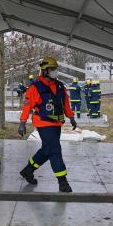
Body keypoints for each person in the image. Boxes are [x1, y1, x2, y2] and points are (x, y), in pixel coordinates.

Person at [18, 57, 78, 193]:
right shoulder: (35, 87)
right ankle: (62, 182)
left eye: (55, 69)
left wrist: (71, 118)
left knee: (48, 149)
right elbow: (27, 106)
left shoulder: (60, 86)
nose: (55, 72)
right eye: (52, 69)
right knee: (55, 150)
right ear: (44, 71)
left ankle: (28, 170)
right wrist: (22, 123)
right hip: (43, 122)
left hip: (57, 123)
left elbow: (66, 104)